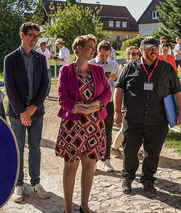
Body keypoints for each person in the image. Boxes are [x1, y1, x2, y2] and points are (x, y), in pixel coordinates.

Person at [114, 37, 181, 197]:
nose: (153, 50)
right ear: (141, 50)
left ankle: (148, 180)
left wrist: (180, 112)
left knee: (152, 153)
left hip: (158, 120)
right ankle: (127, 178)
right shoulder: (130, 67)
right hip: (133, 119)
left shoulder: (167, 68)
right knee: (130, 151)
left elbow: (177, 91)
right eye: (149, 48)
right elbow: (118, 89)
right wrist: (118, 111)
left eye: (155, 47)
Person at [55, 34, 112, 213]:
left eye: (94, 47)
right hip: (73, 126)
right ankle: (68, 209)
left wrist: (97, 104)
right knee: (71, 167)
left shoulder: (97, 70)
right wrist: (80, 108)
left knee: (89, 166)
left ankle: (84, 206)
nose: (93, 51)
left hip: (94, 125)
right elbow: (62, 98)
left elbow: (108, 92)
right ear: (79, 49)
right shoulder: (66, 71)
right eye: (90, 47)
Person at [4, 22, 50, 203]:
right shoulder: (11, 59)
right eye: (31, 35)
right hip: (17, 113)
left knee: (35, 148)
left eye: (37, 36)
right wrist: (23, 112)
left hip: (36, 112)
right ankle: (18, 186)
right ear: (22, 36)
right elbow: (10, 88)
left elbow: (46, 84)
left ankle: (36, 183)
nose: (35, 39)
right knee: (18, 149)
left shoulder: (40, 58)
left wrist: (34, 108)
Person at [88, 40, 120, 172]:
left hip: (108, 103)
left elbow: (119, 83)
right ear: (97, 52)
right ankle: (93, 160)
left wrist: (114, 77)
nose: (104, 58)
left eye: (106, 56)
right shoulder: (90, 64)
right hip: (93, 103)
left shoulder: (113, 65)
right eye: (102, 55)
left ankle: (106, 159)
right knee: (92, 131)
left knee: (107, 131)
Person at [111, 46, 141, 158]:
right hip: (126, 102)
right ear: (126, 55)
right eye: (131, 53)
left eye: (136, 54)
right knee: (129, 127)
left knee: (130, 127)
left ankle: (116, 147)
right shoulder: (125, 68)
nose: (134, 56)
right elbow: (118, 88)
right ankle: (133, 151)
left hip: (136, 102)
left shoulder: (140, 67)